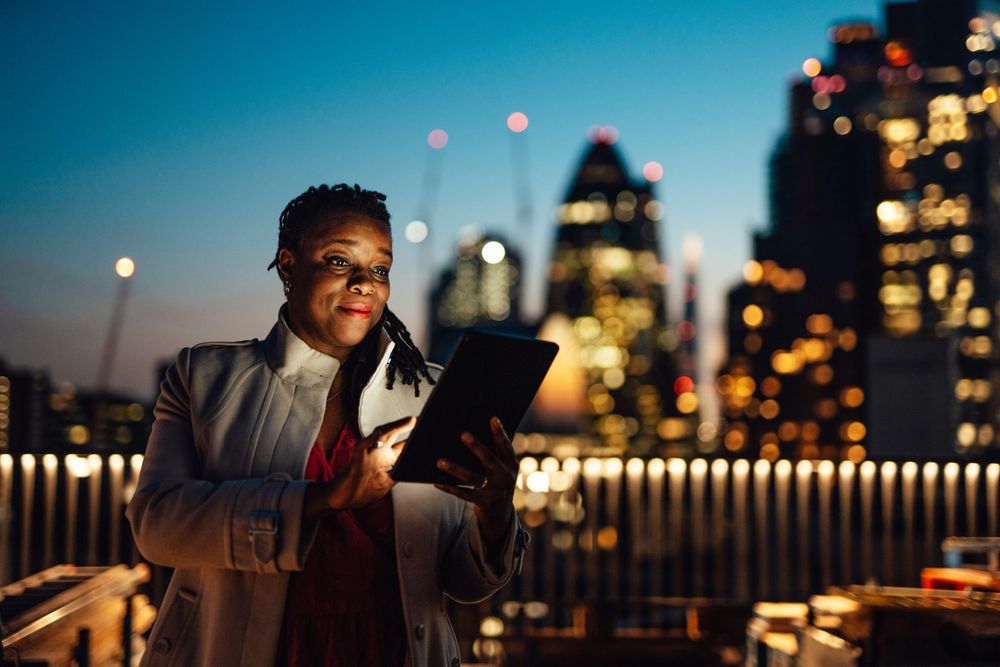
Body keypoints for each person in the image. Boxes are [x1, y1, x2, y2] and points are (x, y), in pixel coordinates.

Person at [127, 184, 527, 667]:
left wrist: (495, 514)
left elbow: (464, 583)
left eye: (381, 269)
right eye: (340, 261)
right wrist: (327, 498)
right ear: (289, 266)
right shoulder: (204, 377)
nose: (365, 283)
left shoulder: (432, 393)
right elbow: (156, 527)